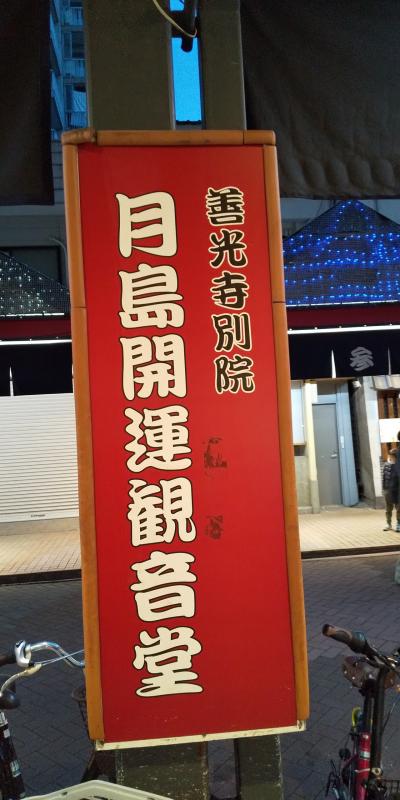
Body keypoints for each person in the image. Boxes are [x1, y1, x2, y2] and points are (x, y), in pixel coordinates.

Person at [382, 448, 399, 531]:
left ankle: (399, 524)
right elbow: (384, 478)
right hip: (388, 490)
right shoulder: (386, 465)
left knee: (398, 508)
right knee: (388, 508)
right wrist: (384, 489)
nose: (391, 457)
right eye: (390, 456)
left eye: (393, 456)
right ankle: (388, 524)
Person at [388, 447, 400, 533]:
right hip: (395, 492)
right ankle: (397, 523)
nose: (390, 458)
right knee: (397, 508)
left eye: (391, 457)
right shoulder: (392, 466)